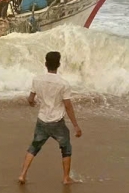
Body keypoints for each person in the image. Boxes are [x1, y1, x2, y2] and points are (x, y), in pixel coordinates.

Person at [18, 51, 83, 185]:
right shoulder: (63, 84)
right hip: (57, 122)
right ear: (58, 64)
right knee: (66, 148)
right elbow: (68, 106)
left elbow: (30, 99)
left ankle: (23, 174)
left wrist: (33, 103)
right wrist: (76, 125)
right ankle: (66, 178)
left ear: (46, 63)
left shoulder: (37, 79)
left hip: (42, 120)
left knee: (34, 147)